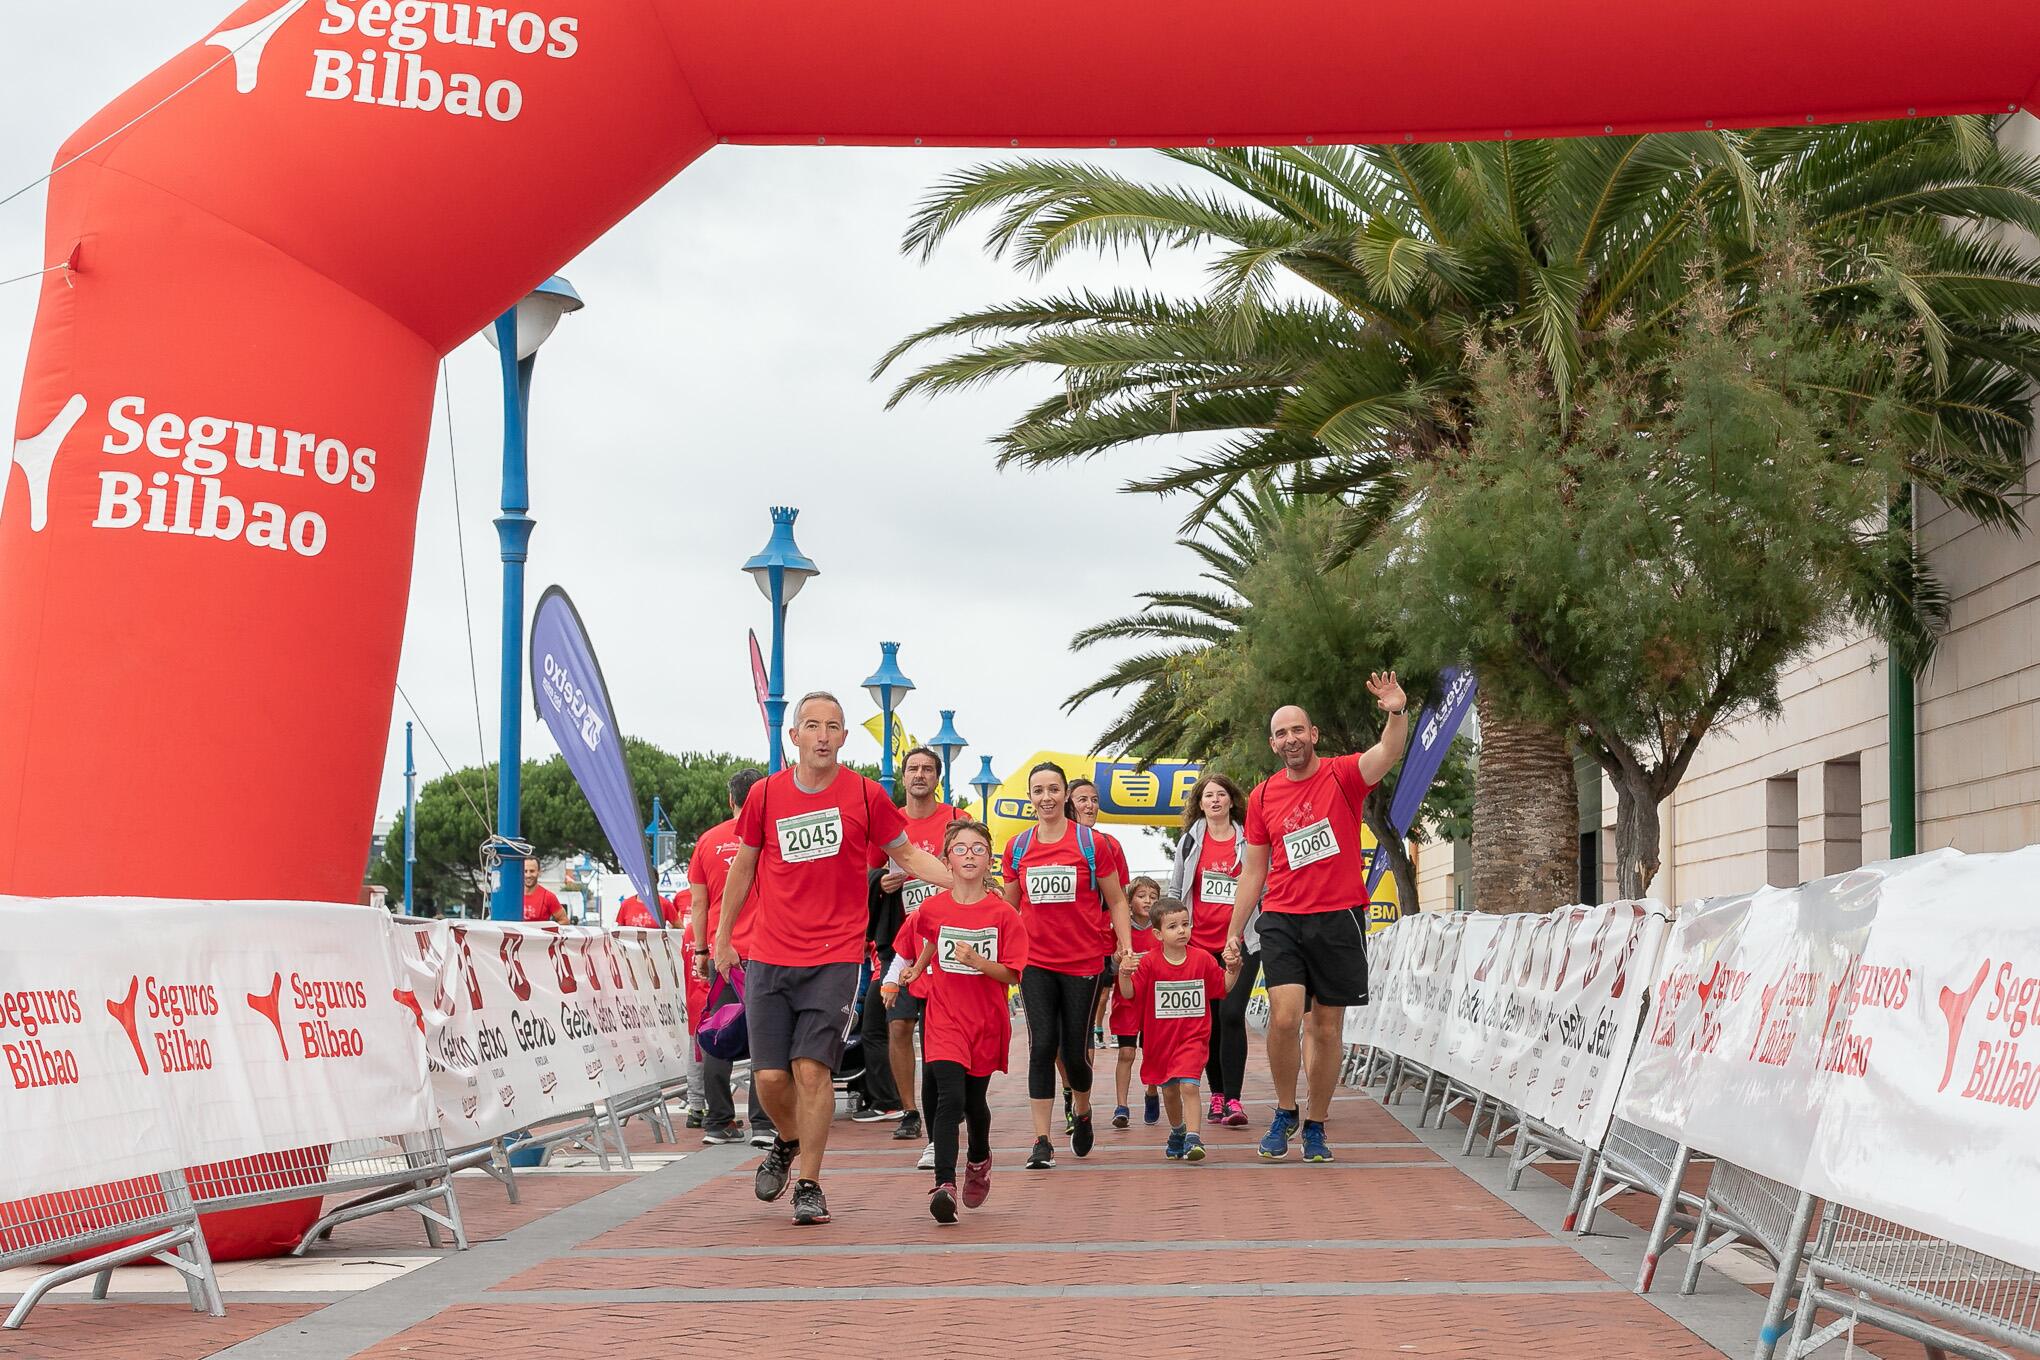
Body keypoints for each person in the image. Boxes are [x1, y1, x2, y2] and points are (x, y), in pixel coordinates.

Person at [709, 693, 952, 1226]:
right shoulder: (765, 796)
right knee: (770, 1080)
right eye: (812, 726)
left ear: (844, 738)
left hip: (836, 956)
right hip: (770, 956)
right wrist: (723, 938)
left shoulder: (865, 796)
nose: (822, 735)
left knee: (811, 1070)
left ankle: (811, 1185)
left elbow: (906, 853)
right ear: (792, 736)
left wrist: (963, 883)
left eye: (833, 727)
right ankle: (788, 1140)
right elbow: (743, 868)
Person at [1225, 678, 1409, 1164]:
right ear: (1273, 743)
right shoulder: (1263, 797)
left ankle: (1316, 1123)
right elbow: (1254, 869)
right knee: (1284, 1018)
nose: (1290, 739)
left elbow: (1388, 753)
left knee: (1326, 1029)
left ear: (1314, 734)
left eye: (1297, 730)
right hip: (1283, 917)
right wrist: (1233, 930)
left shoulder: (1342, 775)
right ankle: (1284, 1110)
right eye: (1281, 733)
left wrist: (1396, 712)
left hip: (1339, 917)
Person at [894, 820, 1027, 1223]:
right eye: (960, 849)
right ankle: (943, 1184)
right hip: (944, 1016)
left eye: (978, 849)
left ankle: (980, 1158)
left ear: (990, 860)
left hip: (985, 1021)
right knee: (949, 1097)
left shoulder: (1003, 914)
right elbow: (931, 935)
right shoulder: (932, 908)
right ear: (946, 859)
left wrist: (979, 962)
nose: (969, 855)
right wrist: (916, 968)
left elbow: (1013, 973)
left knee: (974, 1102)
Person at [1002, 761, 1132, 1170]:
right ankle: (1041, 1140)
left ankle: (1083, 1107)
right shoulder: (1018, 847)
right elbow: (1008, 908)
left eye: (1053, 790)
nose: (1046, 798)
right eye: (1038, 791)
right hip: (1035, 962)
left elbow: (1117, 901)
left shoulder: (1092, 845)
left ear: (1065, 796)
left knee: (1075, 1052)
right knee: (1042, 1046)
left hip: (1083, 962)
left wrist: (1125, 948)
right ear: (1030, 798)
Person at [855, 746, 971, 1144]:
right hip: (900, 943)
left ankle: (950, 1103)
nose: (919, 775)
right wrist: (881, 883)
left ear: (937, 778)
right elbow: (867, 869)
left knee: (945, 1031)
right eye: (912, 769)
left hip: (947, 944)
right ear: (903, 778)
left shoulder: (957, 819)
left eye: (927, 769)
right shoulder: (889, 819)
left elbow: (973, 866)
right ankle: (909, 1111)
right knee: (899, 1024)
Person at [686, 768, 768, 1145]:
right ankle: (763, 1121)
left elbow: (698, 903)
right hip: (767, 951)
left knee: (719, 1030)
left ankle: (718, 1120)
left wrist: (702, 949)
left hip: (724, 952)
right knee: (766, 1036)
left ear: (730, 799)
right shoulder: (770, 838)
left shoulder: (707, 841)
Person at [1121, 897, 1238, 1161]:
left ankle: (1194, 1138)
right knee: (1170, 1091)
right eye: (1173, 926)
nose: (1182, 930)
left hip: (1193, 1038)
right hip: (1160, 1042)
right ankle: (1178, 1131)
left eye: (1185, 924)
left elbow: (1223, 986)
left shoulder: (1204, 959)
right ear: (1158, 934)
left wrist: (1233, 967)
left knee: (1189, 1086)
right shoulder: (1150, 962)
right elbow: (1129, 993)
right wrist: (1124, 973)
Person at [1170, 771, 1256, 1128]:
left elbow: (1263, 885)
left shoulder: (1250, 840)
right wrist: (1174, 935)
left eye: (1221, 794)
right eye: (1208, 796)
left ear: (1232, 800)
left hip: (1243, 941)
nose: (1215, 800)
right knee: (1210, 1023)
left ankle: (1234, 1098)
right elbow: (1176, 891)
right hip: (1200, 946)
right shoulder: (1189, 842)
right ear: (1200, 804)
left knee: (1232, 1014)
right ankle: (1217, 1093)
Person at [1067, 776, 1130, 1117]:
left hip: (1097, 947)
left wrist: (1124, 942)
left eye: (1093, 799)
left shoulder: (1108, 844)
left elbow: (1120, 898)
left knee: (1081, 1031)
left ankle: (1081, 1100)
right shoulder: (1041, 844)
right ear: (1068, 803)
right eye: (1082, 800)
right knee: (1055, 1041)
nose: (1089, 805)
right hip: (1053, 952)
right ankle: (1069, 1091)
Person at [1108, 878, 1159, 1128]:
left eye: (1152, 896)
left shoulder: (1161, 930)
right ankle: (1122, 1106)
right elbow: (1110, 967)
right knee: (1126, 1052)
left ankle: (1151, 1091)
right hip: (1126, 1000)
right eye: (1141, 895)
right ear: (1129, 901)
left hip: (1154, 1002)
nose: (1147, 900)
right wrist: (1118, 958)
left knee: (1152, 1052)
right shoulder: (1119, 929)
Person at [522, 858, 567, 925]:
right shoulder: (512, 896)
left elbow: (564, 921)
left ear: (539, 872)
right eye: (525, 871)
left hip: (539, 935)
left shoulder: (548, 897)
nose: (528, 875)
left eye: (532, 871)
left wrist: (549, 932)